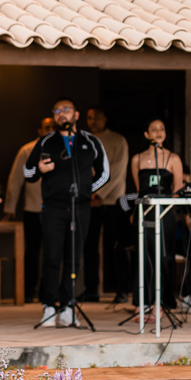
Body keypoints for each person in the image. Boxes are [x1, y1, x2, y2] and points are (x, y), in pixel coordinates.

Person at [23, 98, 110, 328]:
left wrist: (85, 190)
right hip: (52, 207)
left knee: (74, 257)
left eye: (67, 110)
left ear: (76, 115)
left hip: (80, 207)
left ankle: (69, 307)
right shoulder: (46, 141)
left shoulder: (90, 141)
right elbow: (28, 171)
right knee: (52, 257)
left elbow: (105, 172)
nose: (62, 114)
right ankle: (49, 306)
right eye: (58, 111)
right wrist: (39, 170)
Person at [128, 119, 189, 313]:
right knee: (143, 254)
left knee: (163, 255)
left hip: (165, 212)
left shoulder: (173, 158)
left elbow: (178, 188)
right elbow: (139, 189)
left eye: (162, 129)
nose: (158, 132)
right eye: (154, 129)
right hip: (145, 210)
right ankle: (142, 301)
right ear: (146, 134)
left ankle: (162, 301)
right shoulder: (137, 158)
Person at [3, 116, 55, 302]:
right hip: (33, 208)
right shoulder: (27, 150)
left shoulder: (63, 147)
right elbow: (15, 180)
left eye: (53, 127)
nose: (49, 130)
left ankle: (48, 293)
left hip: (55, 209)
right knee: (32, 252)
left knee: (53, 253)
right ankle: (28, 291)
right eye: (46, 127)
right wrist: (9, 208)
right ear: (39, 130)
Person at [82, 107, 131, 303]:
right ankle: (91, 290)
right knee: (89, 246)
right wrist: (88, 196)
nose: (93, 121)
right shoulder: (83, 140)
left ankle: (122, 290)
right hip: (88, 202)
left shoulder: (118, 140)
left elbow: (117, 172)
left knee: (116, 246)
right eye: (90, 117)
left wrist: (98, 194)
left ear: (105, 119)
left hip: (112, 201)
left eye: (97, 118)